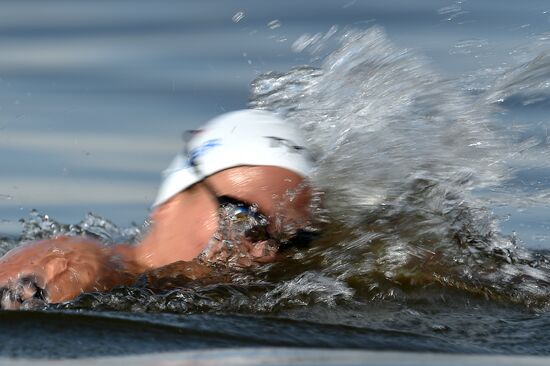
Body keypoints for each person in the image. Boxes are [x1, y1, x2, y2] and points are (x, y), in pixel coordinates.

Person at [0, 110, 314, 309]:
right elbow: (68, 265)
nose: (265, 253)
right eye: (244, 217)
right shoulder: (93, 263)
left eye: (287, 238)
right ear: (170, 201)